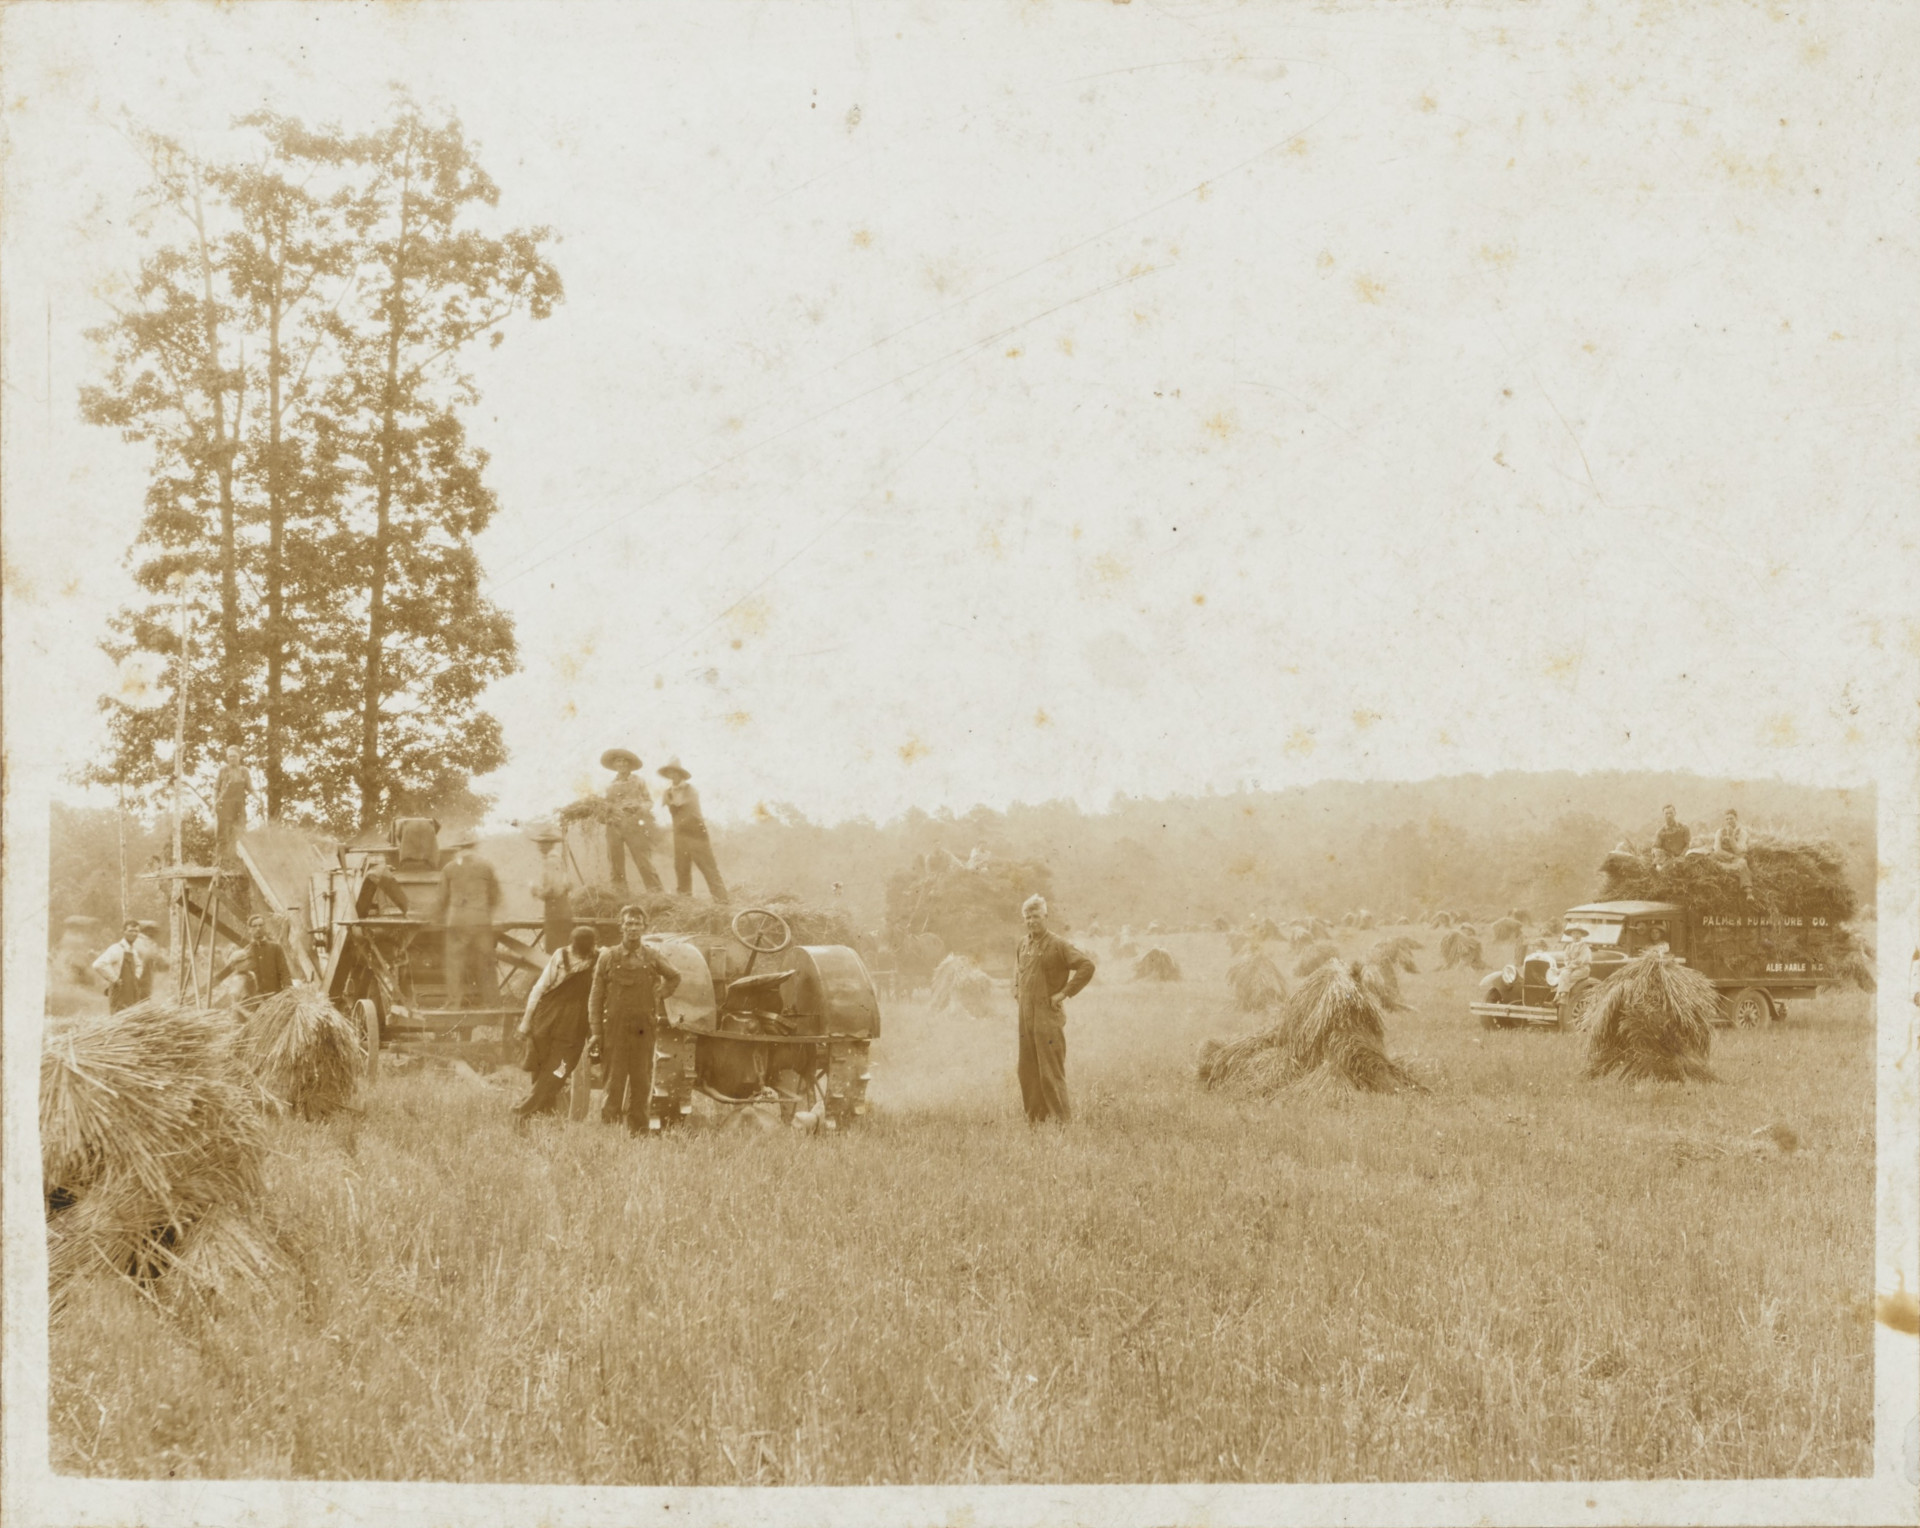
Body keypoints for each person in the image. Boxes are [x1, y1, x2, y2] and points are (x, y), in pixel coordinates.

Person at [588, 905, 682, 1132]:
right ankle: (609, 1131)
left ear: (644, 927)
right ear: (621, 927)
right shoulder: (607, 957)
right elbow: (595, 997)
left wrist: (660, 994)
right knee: (613, 1081)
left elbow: (674, 976)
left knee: (642, 1081)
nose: (633, 928)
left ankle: (638, 1132)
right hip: (615, 1030)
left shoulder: (652, 956)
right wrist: (596, 1033)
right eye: (628, 924)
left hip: (643, 1029)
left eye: (637, 924)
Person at [1013, 894, 1096, 1124]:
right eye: (1027, 917)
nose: (1031, 921)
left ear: (1046, 917)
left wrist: (1063, 993)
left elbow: (1086, 966)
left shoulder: (1059, 944)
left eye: (1036, 916)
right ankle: (1035, 1120)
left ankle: (1063, 1123)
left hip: (1048, 1017)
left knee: (1050, 1071)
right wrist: (1017, 991)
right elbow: (1017, 971)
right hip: (1025, 1018)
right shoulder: (1023, 944)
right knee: (1027, 1070)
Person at [513, 925, 600, 1120]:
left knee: (561, 1069)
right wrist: (526, 1022)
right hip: (547, 1017)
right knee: (541, 1065)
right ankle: (542, 1114)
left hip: (575, 1023)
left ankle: (523, 1109)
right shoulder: (561, 956)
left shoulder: (599, 957)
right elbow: (539, 989)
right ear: (572, 944)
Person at [436, 835, 502, 1016]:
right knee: (486, 962)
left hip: (457, 922)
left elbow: (442, 899)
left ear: (458, 848)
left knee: (455, 962)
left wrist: (436, 917)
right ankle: (493, 1003)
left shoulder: (449, 868)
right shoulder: (486, 866)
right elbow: (495, 896)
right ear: (474, 847)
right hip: (481, 921)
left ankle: (453, 1004)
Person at [658, 758, 728, 902]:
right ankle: (685, 903)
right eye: (670, 773)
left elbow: (681, 803)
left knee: (708, 868)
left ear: (681, 775)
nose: (673, 776)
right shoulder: (668, 792)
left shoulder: (691, 790)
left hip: (696, 834)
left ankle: (722, 901)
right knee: (681, 869)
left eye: (676, 773)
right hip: (680, 836)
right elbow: (666, 808)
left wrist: (670, 798)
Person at [601, 749, 664, 893]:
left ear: (629, 765)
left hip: (634, 824)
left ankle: (657, 895)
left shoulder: (638, 781)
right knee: (615, 863)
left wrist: (638, 807)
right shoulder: (610, 785)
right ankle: (620, 895)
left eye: (624, 761)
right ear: (614, 765)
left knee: (643, 861)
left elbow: (648, 801)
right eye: (618, 761)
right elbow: (606, 806)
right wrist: (604, 814)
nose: (622, 764)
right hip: (614, 826)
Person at [214, 913, 292, 1000]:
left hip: (277, 997)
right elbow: (237, 975)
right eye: (254, 926)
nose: (258, 928)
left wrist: (289, 992)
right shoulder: (246, 953)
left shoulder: (276, 948)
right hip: (256, 1001)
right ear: (249, 929)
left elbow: (285, 973)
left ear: (265, 927)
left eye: (261, 925)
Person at [91, 919, 154, 1012]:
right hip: (119, 993)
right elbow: (98, 964)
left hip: (132, 992)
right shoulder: (116, 949)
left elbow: (139, 965)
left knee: (133, 1017)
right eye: (130, 931)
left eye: (136, 931)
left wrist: (136, 977)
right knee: (119, 1020)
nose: (134, 934)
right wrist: (114, 979)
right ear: (124, 932)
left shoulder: (132, 950)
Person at [529, 829, 575, 952]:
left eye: (543, 843)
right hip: (563, 910)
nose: (539, 846)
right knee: (563, 950)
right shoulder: (558, 859)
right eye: (539, 843)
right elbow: (568, 884)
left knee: (554, 951)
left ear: (550, 844)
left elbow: (552, 890)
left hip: (555, 911)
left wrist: (536, 892)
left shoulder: (550, 861)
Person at [213, 745, 251, 868]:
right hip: (225, 805)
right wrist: (214, 803)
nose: (231, 759)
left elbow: (250, 788)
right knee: (223, 834)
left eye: (234, 756)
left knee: (239, 832)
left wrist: (259, 799)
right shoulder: (223, 770)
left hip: (239, 806)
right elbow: (216, 788)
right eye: (229, 757)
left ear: (239, 757)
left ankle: (238, 862)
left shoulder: (244, 771)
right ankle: (220, 863)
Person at [1712, 808, 1754, 896]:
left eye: (1731, 818)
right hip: (1724, 857)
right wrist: (1730, 856)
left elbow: (1739, 851)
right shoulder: (1720, 832)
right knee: (1711, 858)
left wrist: (1731, 837)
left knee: (1743, 863)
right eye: (1727, 819)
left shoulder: (1742, 832)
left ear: (1736, 819)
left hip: (1737, 858)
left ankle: (1748, 890)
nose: (1729, 821)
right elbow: (1717, 849)